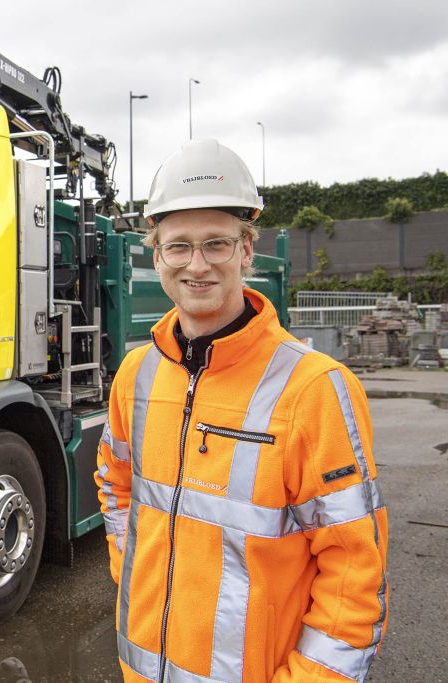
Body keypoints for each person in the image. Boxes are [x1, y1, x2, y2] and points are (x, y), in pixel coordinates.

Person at [95, 139, 388, 682]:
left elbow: (354, 571)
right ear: (156, 256)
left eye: (217, 245)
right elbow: (116, 485)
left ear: (248, 250)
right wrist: (132, 572)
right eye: (178, 247)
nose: (197, 265)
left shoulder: (315, 389)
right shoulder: (136, 376)